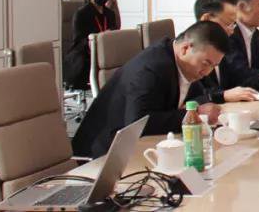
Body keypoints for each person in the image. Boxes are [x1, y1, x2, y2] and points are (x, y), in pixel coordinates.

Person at [71, 21, 227, 158]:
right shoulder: (151, 69)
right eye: (206, 64)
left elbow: (198, 97)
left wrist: (201, 108)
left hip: (141, 148)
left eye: (213, 66)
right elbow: (140, 123)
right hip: (104, 156)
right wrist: (194, 114)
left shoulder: (184, 64)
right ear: (185, 48)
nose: (208, 72)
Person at [190, 0, 259, 103]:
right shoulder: (190, 51)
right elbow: (194, 96)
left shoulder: (222, 48)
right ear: (206, 19)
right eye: (228, 24)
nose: (231, 31)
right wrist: (223, 95)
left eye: (233, 24)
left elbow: (235, 78)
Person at [63, 0, 120, 90]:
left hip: (105, 51)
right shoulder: (81, 14)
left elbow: (114, 33)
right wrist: (98, 39)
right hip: (85, 52)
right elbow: (79, 40)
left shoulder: (110, 13)